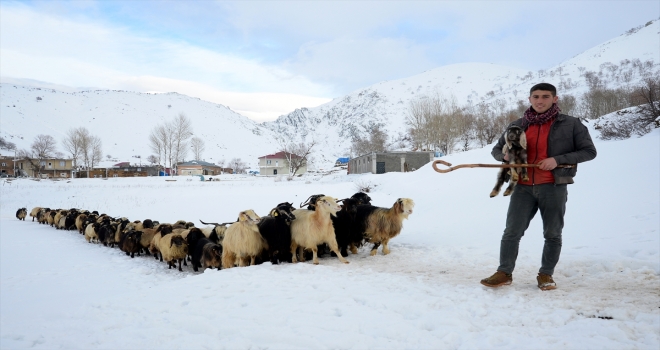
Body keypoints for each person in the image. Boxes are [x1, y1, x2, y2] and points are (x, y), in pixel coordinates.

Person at [480, 83, 597, 291]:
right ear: (529, 99)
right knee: (511, 232)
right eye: (535, 96)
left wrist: (557, 160)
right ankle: (504, 272)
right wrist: (505, 156)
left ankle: (546, 275)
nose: (539, 101)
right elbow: (497, 150)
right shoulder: (518, 124)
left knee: (552, 233)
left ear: (555, 99)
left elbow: (589, 151)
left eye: (545, 96)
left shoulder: (570, 124)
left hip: (553, 186)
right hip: (521, 187)